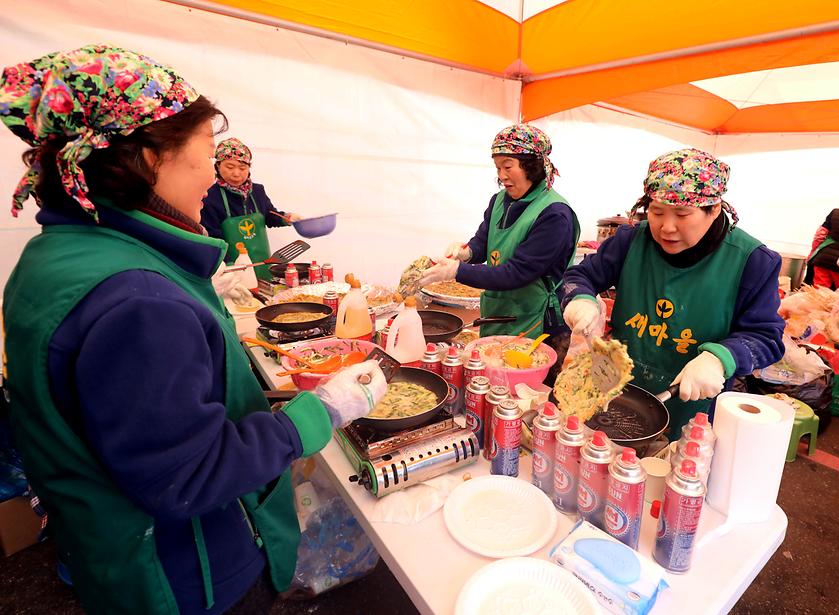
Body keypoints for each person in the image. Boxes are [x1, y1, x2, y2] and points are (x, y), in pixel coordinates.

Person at [0, 45, 386, 615]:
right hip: (192, 577)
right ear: (151, 157)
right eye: (208, 150)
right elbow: (189, 474)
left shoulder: (61, 251)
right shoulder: (136, 300)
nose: (213, 169)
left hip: (119, 554)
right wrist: (318, 413)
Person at [562, 148, 785, 439]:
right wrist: (580, 298)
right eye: (656, 212)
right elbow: (580, 275)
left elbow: (766, 337)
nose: (666, 227)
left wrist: (721, 358)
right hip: (613, 392)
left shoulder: (752, 261)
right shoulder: (631, 240)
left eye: (682, 214)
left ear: (714, 208)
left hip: (692, 406)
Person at [420, 124, 579, 373]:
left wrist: (457, 271)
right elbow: (483, 242)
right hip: (500, 309)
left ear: (531, 165)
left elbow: (516, 273)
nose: (502, 175)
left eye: (508, 166)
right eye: (497, 168)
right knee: (492, 375)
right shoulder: (499, 201)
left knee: (528, 394)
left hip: (538, 320)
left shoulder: (554, 214)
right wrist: (467, 252)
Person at [200, 137, 300, 280]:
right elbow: (212, 237)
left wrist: (287, 218)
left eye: (242, 168)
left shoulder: (257, 191)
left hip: (262, 263)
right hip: (231, 269)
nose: (236, 173)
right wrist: (226, 265)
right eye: (229, 167)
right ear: (218, 166)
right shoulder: (210, 196)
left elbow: (270, 215)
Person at [804, 190, 839, 289]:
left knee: (818, 295)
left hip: (822, 257)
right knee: (838, 295)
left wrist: (812, 253)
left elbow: (820, 235)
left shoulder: (836, 212)